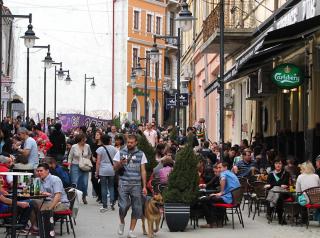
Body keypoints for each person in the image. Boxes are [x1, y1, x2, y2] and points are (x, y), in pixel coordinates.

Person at [113, 134, 148, 238]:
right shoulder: (121, 152)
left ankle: (131, 231)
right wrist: (120, 163)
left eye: (131, 142)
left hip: (136, 184)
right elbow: (114, 168)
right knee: (123, 206)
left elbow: (143, 170)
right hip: (123, 183)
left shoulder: (141, 154)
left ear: (136, 142)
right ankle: (122, 222)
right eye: (128, 142)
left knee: (137, 208)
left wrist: (144, 186)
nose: (129, 144)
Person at [30, 163, 70, 233]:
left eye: (41, 171)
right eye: (38, 171)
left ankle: (44, 229)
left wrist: (50, 208)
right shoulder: (37, 180)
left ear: (47, 171)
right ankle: (35, 227)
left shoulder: (55, 179)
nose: (39, 173)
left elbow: (58, 196)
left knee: (41, 206)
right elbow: (34, 194)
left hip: (61, 203)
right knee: (29, 204)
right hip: (46, 201)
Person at [200, 162, 240, 228]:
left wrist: (221, 192)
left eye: (220, 167)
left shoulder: (223, 173)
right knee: (213, 198)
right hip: (234, 199)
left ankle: (211, 223)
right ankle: (219, 222)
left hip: (229, 199)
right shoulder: (230, 173)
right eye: (218, 168)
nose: (218, 169)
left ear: (225, 167)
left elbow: (223, 179)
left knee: (204, 200)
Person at [95, 134, 118, 212]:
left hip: (103, 170)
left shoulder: (100, 149)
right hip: (112, 169)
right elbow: (116, 159)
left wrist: (96, 172)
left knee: (103, 187)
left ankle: (105, 205)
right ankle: (112, 202)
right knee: (111, 186)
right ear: (109, 140)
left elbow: (98, 162)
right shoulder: (114, 148)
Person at [68, 133, 92, 204]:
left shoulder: (87, 146)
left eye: (84, 140)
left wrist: (87, 160)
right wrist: (69, 165)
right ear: (79, 140)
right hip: (75, 165)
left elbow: (90, 154)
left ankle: (84, 196)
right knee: (75, 182)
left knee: (85, 182)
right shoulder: (74, 146)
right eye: (82, 140)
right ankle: (75, 197)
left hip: (85, 166)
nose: (84, 141)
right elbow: (70, 156)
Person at [265, 158, 290, 224]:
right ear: (274, 165)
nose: (278, 165)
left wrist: (272, 185)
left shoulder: (286, 173)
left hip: (284, 193)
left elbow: (285, 183)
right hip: (277, 194)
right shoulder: (271, 174)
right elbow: (268, 184)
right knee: (278, 197)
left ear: (282, 165)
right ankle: (280, 219)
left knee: (276, 190)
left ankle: (270, 210)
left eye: (280, 163)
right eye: (276, 163)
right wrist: (278, 185)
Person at [91, 131, 103, 203]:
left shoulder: (103, 145)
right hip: (94, 164)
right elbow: (91, 153)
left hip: (102, 164)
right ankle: (99, 194)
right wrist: (92, 157)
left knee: (101, 180)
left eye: (98, 134)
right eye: (95, 134)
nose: (96, 135)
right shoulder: (93, 144)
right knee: (93, 179)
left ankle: (101, 196)